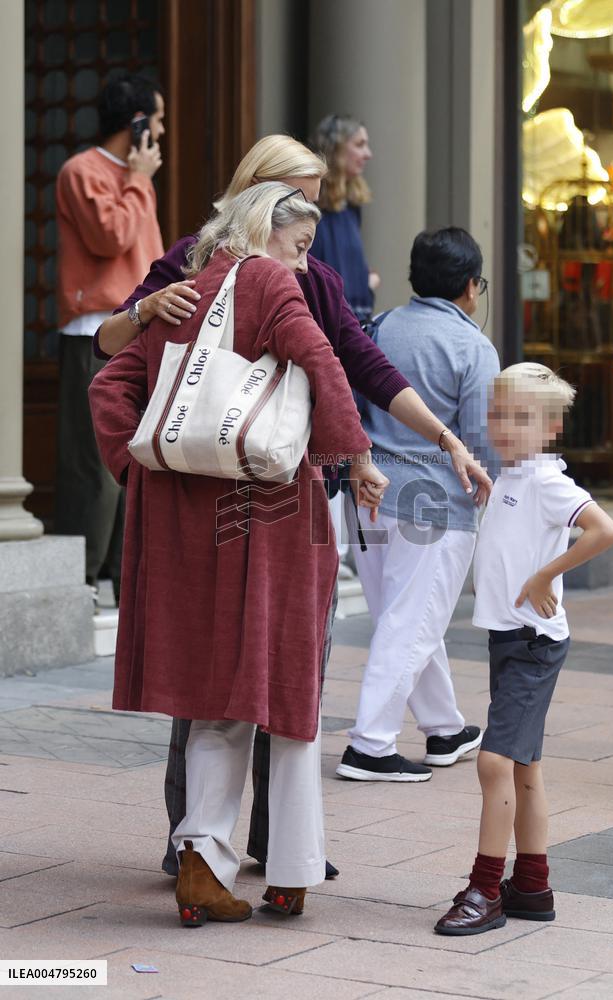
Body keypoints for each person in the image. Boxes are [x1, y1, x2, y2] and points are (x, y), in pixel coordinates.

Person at [93, 134, 492, 878]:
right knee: (219, 677)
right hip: (218, 502)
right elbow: (112, 355)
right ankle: (206, 845)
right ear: (260, 195)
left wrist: (421, 442)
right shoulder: (196, 259)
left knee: (276, 671)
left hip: (283, 494)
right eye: (300, 199)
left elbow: (361, 364)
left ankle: (259, 847)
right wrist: (147, 317)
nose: (312, 214)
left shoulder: (308, 275)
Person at [89, 182, 385, 926]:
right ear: (266, 230)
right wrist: (357, 454)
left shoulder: (185, 293)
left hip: (189, 524)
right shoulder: (268, 283)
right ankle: (290, 872)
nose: (305, 260)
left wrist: (140, 471)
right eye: (302, 242)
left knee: (216, 701)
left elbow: (107, 389)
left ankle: (202, 864)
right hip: (274, 515)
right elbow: (323, 362)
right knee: (286, 696)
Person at [434, 363, 613, 936]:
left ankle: (486, 889)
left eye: (521, 418)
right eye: (498, 414)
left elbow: (604, 530)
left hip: (533, 643)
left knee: (493, 764)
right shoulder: (515, 475)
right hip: (510, 639)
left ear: (550, 428)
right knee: (524, 770)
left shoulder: (545, 480)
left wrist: (545, 577)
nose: (505, 426)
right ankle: (532, 887)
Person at [337, 228, 500, 783]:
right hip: (437, 505)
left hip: (371, 492)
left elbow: (350, 404)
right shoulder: (472, 347)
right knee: (414, 622)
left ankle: (444, 728)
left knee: (401, 617)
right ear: (471, 287)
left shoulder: (381, 326)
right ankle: (369, 744)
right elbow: (481, 441)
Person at [54, 72, 165, 602]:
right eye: (158, 120)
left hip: (140, 329)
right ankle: (85, 579)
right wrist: (138, 180)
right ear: (138, 122)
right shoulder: (82, 172)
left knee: (135, 453)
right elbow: (110, 238)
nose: (162, 133)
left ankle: (126, 580)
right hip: (93, 330)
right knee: (92, 460)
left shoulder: (135, 178)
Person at [309, 114, 379, 325]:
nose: (368, 154)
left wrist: (366, 283)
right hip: (324, 324)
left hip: (355, 321)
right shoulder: (308, 207)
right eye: (359, 145)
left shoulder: (352, 206)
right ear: (335, 149)